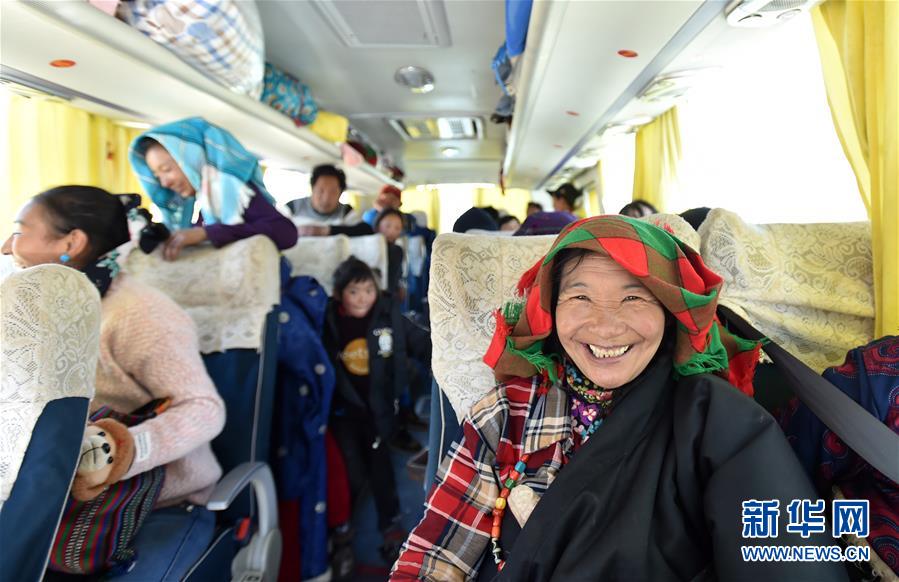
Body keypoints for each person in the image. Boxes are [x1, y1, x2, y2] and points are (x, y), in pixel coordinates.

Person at [390, 215, 845, 581]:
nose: (606, 327)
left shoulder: (716, 419)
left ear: (668, 313)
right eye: (580, 298)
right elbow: (434, 556)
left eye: (634, 299)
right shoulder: (507, 413)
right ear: (551, 311)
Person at [2, 186, 226, 570]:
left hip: (157, 503)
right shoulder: (33, 311)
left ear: (71, 243)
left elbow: (204, 408)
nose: (7, 246)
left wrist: (121, 450)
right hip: (55, 499)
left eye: (20, 231)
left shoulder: (139, 314)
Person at [323, 257, 432, 564]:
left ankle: (391, 529)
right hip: (344, 412)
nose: (362, 299)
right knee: (351, 471)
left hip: (379, 410)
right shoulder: (329, 320)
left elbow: (419, 340)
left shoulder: (388, 314)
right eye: (353, 292)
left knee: (381, 467)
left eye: (368, 290)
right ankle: (343, 533)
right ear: (339, 294)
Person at [129, 117, 298, 260]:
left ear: (193, 159)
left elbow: (286, 233)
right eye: (157, 176)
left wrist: (206, 233)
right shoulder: (205, 203)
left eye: (167, 170)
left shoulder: (236, 191)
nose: (164, 183)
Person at [288, 164, 374, 237]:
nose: (326, 198)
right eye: (321, 191)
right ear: (312, 189)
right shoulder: (293, 207)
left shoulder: (345, 211)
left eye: (333, 192)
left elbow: (366, 231)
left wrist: (325, 231)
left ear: (340, 194)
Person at [375, 208, 406, 298]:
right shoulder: (369, 246)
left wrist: (400, 285)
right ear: (378, 225)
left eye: (397, 228)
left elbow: (397, 275)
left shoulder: (397, 251)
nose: (392, 231)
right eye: (388, 226)